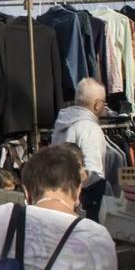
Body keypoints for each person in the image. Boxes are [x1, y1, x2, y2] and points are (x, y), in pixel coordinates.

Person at [50, 77, 109, 220]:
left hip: (59, 196)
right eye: (103, 102)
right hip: (81, 203)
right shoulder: (89, 128)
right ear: (97, 104)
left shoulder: (62, 124)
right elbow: (92, 174)